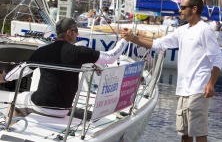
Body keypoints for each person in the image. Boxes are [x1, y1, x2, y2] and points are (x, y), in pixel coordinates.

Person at [121, 0, 222, 142]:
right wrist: (134, 39)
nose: (179, 11)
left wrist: (211, 83)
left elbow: (218, 59)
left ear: (194, 9)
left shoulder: (205, 30)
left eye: (183, 7)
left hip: (198, 88)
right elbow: (158, 44)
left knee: (199, 132)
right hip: (183, 89)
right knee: (184, 133)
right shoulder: (183, 30)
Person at [1, 18, 129, 118]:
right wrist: (124, 41)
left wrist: (5, 78)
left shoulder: (42, 51)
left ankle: (10, 130)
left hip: (41, 105)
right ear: (69, 33)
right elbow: (110, 57)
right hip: (63, 109)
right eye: (76, 31)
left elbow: (23, 69)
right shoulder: (79, 52)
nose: (77, 34)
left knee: (15, 101)